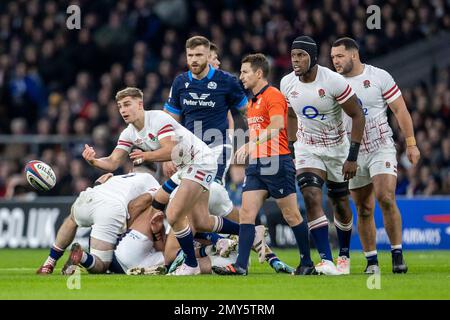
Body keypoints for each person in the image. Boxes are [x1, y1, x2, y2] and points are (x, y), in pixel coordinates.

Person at [81, 87, 241, 275]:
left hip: (200, 161)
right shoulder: (129, 133)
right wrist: (94, 161)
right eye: (120, 106)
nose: (123, 110)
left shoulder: (157, 119)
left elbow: (170, 150)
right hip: (186, 168)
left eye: (127, 104)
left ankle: (190, 264)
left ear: (140, 105)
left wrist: (146, 155)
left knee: (173, 214)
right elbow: (113, 162)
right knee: (197, 218)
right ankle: (249, 233)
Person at [213, 53, 314, 276]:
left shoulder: (274, 96)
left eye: (245, 72)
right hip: (257, 165)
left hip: (277, 161)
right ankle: (240, 265)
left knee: (292, 215)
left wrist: (251, 143)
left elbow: (278, 125)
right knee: (246, 213)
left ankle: (307, 262)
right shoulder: (252, 102)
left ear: (259, 73)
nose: (241, 77)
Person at [331, 37, 420, 274]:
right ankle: (372, 261)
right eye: (332, 58)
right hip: (351, 153)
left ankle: (397, 254)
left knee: (385, 196)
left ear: (353, 55)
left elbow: (400, 109)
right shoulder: (334, 83)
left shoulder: (379, 76)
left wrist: (411, 144)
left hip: (381, 146)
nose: (335, 61)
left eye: (339, 56)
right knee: (363, 208)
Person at [282, 36, 365, 275]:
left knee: (339, 203)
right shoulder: (287, 82)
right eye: (293, 55)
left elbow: (358, 115)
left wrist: (352, 156)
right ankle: (326, 260)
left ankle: (344, 255)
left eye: (301, 55)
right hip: (307, 148)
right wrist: (290, 147)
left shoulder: (333, 81)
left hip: (337, 149)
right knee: (310, 196)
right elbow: (291, 116)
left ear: (313, 57)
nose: (296, 60)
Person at [36, 166, 160, 275]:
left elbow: (101, 187)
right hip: (111, 209)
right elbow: (138, 204)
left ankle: (49, 263)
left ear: (131, 170)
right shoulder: (152, 180)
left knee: (71, 220)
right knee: (101, 265)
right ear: (154, 173)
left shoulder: (117, 177)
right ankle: (82, 256)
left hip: (90, 194)